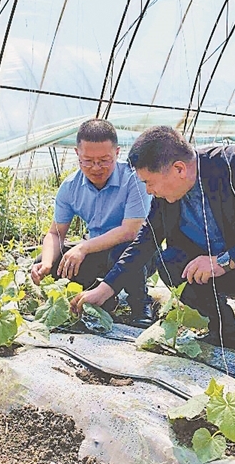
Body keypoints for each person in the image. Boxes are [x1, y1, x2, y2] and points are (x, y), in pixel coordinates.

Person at [71, 126, 235, 353]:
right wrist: (104, 289)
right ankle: (226, 333)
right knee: (170, 261)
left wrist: (224, 260)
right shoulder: (167, 197)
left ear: (179, 169)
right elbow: (145, 242)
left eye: (149, 182)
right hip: (224, 272)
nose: (148, 190)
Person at [29, 119, 155, 327]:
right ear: (77, 154)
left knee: (123, 250)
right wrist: (47, 263)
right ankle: (99, 298)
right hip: (97, 250)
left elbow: (130, 231)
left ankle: (141, 305)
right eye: (87, 161)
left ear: (117, 153)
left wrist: (83, 248)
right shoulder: (70, 187)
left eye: (104, 160)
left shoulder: (134, 179)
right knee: (48, 261)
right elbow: (56, 233)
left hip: (138, 252)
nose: (96, 168)